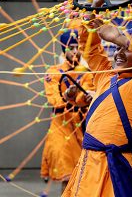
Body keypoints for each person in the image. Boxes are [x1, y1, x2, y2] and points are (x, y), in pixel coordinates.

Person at [62, 0, 132, 197]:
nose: (117, 52)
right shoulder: (105, 75)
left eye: (124, 48)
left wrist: (121, 38)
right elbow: (89, 47)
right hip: (88, 163)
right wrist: (93, 8)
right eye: (116, 47)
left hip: (117, 166)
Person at [40, 27, 95, 193]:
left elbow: (86, 94)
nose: (76, 51)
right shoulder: (53, 72)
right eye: (71, 48)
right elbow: (53, 99)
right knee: (67, 171)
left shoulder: (87, 72)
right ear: (64, 49)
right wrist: (66, 95)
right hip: (60, 125)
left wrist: (84, 97)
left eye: (78, 47)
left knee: (82, 175)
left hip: (82, 125)